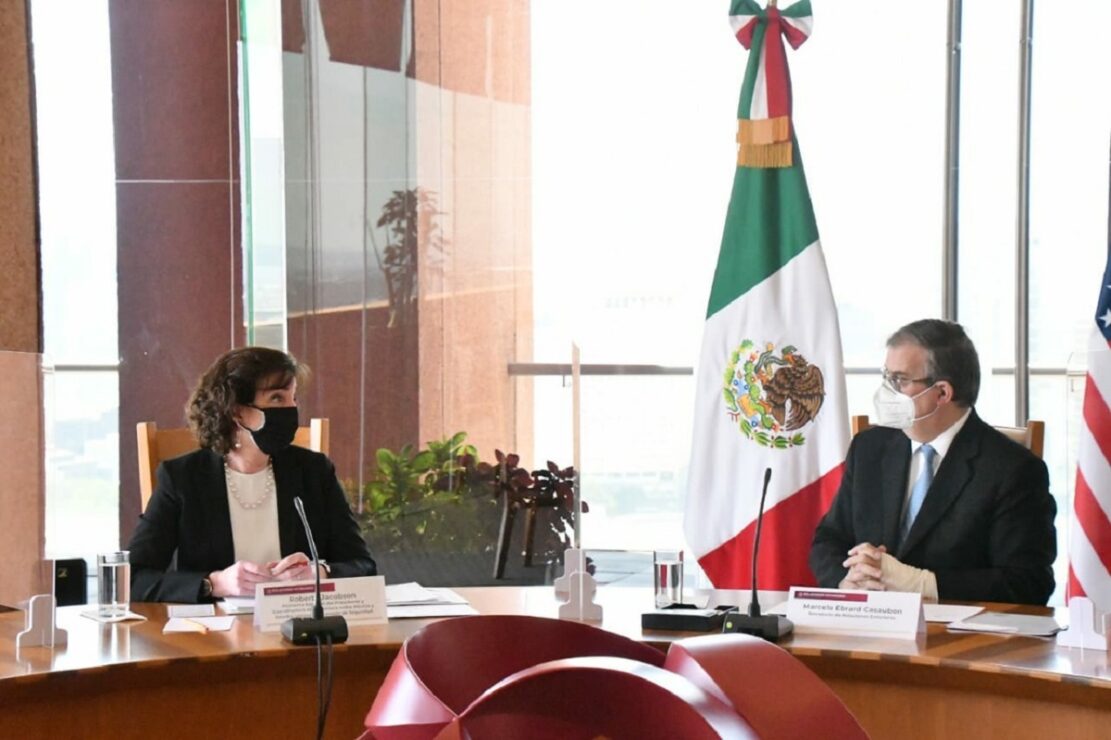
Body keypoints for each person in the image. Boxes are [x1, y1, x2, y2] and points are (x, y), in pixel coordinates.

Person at [809, 319, 1056, 605]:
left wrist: (923, 584)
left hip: (955, 629)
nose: (887, 390)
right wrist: (846, 580)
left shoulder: (1013, 469)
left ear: (942, 393)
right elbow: (829, 539)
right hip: (868, 621)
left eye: (899, 380)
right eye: (887, 377)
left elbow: (1028, 582)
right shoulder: (869, 448)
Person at [129, 347, 376, 603]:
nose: (291, 409)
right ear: (236, 411)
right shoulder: (182, 478)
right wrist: (213, 583)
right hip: (216, 626)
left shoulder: (314, 471)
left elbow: (363, 566)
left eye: (293, 398)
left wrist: (319, 573)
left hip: (299, 621)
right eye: (277, 398)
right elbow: (133, 578)